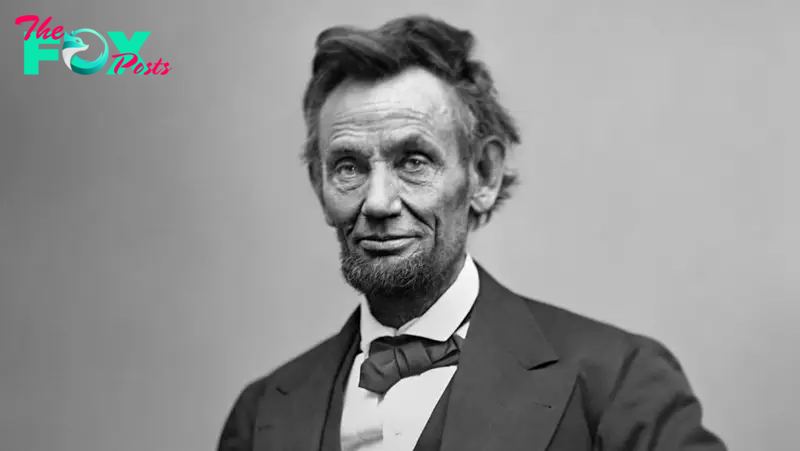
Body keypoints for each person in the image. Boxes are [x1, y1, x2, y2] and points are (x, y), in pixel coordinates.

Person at [218, 15, 727, 451]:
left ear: (483, 175)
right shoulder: (261, 412)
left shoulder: (620, 382)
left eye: (413, 161)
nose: (377, 202)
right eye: (348, 167)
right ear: (319, 184)